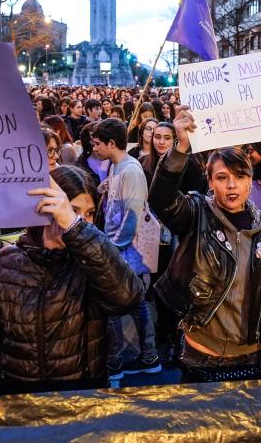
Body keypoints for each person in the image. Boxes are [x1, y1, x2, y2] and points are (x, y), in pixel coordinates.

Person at [0, 166, 144, 397]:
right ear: (45, 206)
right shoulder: (5, 263)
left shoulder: (92, 262)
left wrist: (75, 228)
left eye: (89, 213)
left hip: (81, 396)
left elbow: (128, 298)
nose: (81, 220)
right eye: (72, 210)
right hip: (20, 396)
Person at [149, 106, 261, 383]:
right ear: (210, 181)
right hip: (200, 354)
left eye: (240, 176)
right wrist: (180, 148)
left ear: (250, 182)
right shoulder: (196, 215)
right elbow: (161, 199)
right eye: (222, 177)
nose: (231, 185)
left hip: (252, 356)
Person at [91, 119, 161, 379]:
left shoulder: (130, 170)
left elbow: (132, 216)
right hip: (121, 250)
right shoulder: (117, 166)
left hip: (126, 252)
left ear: (111, 143)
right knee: (135, 303)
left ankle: (117, 363)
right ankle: (147, 356)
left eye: (97, 143)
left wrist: (112, 248)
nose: (94, 148)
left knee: (119, 306)